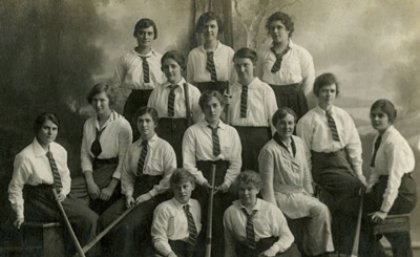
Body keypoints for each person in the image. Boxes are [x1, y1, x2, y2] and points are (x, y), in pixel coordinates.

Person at [8, 112, 98, 257]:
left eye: (54, 129)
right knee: (89, 219)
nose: (50, 133)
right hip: (39, 200)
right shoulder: (25, 157)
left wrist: (65, 190)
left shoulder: (59, 150)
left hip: (58, 194)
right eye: (46, 128)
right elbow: (15, 188)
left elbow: (64, 174)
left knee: (88, 215)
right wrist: (19, 213)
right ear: (38, 129)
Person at [296, 73, 366, 254]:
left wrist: (358, 173)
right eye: (324, 91)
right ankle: (330, 251)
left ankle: (347, 250)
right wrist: (309, 180)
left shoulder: (344, 117)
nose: (328, 95)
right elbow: (304, 155)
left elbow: (354, 147)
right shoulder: (307, 120)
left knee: (355, 191)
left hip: (342, 164)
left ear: (336, 93)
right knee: (335, 199)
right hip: (321, 168)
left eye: (332, 91)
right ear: (317, 93)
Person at [98, 106, 176, 257]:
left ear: (155, 123)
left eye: (148, 121)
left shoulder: (165, 148)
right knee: (105, 219)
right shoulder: (133, 148)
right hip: (134, 192)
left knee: (127, 226)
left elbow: (169, 177)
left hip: (155, 195)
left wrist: (150, 194)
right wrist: (128, 194)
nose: (144, 125)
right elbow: (127, 175)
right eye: (140, 121)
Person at [259, 108, 334, 257]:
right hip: (281, 196)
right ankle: (313, 251)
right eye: (282, 123)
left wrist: (310, 193)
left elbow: (305, 169)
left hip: (300, 193)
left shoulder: (298, 142)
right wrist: (273, 210)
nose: (287, 127)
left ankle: (315, 250)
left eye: (290, 123)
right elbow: (266, 186)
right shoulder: (269, 150)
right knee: (321, 210)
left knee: (320, 209)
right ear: (275, 125)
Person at [182, 90, 242, 257]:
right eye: (207, 106)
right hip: (202, 178)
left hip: (225, 178)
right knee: (205, 219)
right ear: (202, 109)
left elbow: (236, 162)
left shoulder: (231, 132)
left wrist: (227, 183)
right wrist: (202, 182)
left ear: (222, 107)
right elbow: (188, 163)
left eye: (215, 105)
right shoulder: (192, 132)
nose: (212, 110)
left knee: (224, 220)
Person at [360, 99, 417, 257]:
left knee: (371, 221)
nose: (376, 119)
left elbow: (394, 179)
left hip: (402, 193)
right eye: (373, 115)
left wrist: (384, 210)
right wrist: (368, 189)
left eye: (381, 115)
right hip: (385, 187)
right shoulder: (379, 138)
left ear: (390, 118)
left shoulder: (394, 142)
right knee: (357, 212)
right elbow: (375, 171)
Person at [71, 83, 132, 214]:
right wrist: (90, 181)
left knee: (70, 191)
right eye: (95, 100)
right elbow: (85, 155)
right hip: (94, 170)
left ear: (110, 100)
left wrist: (111, 187)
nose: (98, 104)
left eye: (102, 100)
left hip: (113, 172)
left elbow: (124, 161)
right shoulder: (88, 124)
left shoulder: (122, 125)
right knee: (67, 190)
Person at [223, 170, 300, 257]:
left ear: (257, 189)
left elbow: (288, 236)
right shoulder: (230, 212)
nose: (245, 193)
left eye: (249, 189)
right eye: (242, 189)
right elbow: (229, 243)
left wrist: (273, 250)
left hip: (276, 250)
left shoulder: (270, 210)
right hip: (249, 253)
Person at [112, 18, 165, 139]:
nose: (146, 37)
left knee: (154, 136)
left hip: (155, 98)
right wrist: (126, 99)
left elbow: (166, 83)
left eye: (149, 33)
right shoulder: (126, 59)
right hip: (133, 101)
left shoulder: (160, 59)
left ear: (154, 35)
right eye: (142, 33)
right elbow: (116, 84)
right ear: (136, 34)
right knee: (133, 135)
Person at [148, 50, 202, 165]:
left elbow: (199, 121)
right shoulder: (157, 92)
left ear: (182, 68)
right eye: (166, 67)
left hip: (184, 136)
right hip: (162, 136)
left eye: (173, 66)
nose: (170, 70)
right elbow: (150, 119)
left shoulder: (193, 91)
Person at [228, 47, 277, 171]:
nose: (242, 69)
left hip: (259, 137)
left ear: (254, 65)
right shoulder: (230, 91)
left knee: (260, 173)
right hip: (237, 136)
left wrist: (276, 145)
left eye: (246, 65)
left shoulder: (265, 90)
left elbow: (274, 120)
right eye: (238, 66)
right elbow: (227, 120)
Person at [259, 11, 315, 119]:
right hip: (270, 100)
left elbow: (309, 83)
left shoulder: (301, 53)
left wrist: (301, 101)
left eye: (279, 27)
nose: (275, 31)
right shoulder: (263, 54)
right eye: (272, 28)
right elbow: (258, 79)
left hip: (295, 102)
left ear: (288, 30)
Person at [151, 168, 203, 257]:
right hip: (172, 251)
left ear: (192, 186)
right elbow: (158, 238)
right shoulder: (164, 209)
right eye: (177, 188)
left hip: (193, 250)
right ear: (172, 189)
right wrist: (170, 254)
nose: (182, 191)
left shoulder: (196, 204)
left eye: (185, 186)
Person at [187, 11, 236, 94]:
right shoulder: (194, 54)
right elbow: (190, 82)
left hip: (223, 96)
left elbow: (234, 80)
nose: (209, 30)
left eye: (212, 26)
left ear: (218, 28)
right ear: (201, 29)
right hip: (200, 97)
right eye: (205, 27)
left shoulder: (229, 52)